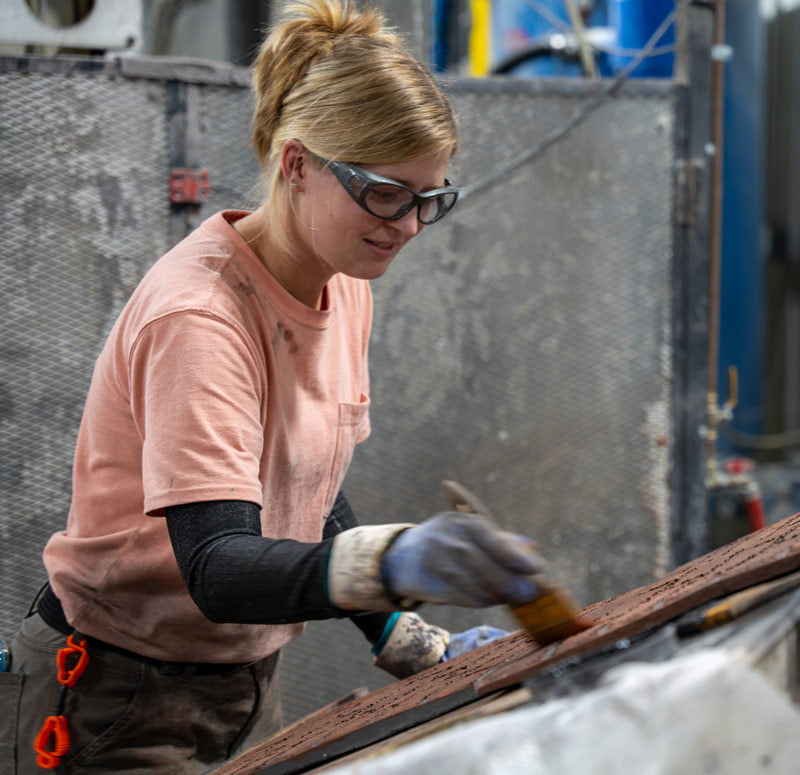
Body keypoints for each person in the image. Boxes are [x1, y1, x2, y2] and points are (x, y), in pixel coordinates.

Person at [8, 1, 544, 773]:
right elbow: (218, 565)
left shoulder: (342, 282)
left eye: (429, 198)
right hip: (114, 698)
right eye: (386, 193)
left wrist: (407, 636)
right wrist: (389, 560)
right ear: (297, 165)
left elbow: (305, 484)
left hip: (246, 684)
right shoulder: (200, 318)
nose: (407, 225)